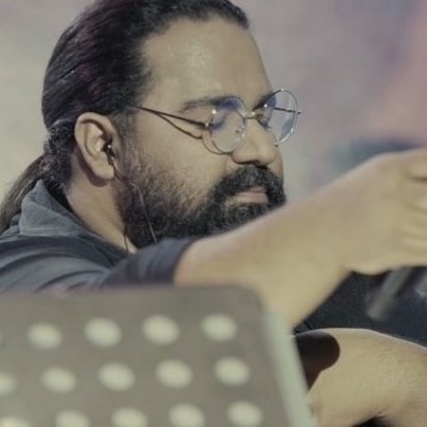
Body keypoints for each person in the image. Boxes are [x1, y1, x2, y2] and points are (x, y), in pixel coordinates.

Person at [1, 0, 427, 424]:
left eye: (263, 116)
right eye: (216, 121)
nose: (261, 149)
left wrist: (401, 374)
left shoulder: (314, 276)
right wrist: (360, 361)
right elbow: (135, 345)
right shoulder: (23, 277)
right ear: (102, 145)